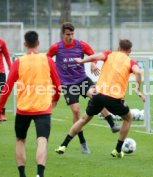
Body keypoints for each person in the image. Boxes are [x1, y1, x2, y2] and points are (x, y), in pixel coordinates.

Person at [55, 39, 145, 158]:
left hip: (98, 95)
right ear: (130, 51)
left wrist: (82, 60)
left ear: (118, 48)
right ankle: (118, 150)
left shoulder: (109, 54)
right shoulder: (131, 62)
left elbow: (94, 57)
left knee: (83, 120)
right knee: (128, 118)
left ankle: (63, 145)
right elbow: (138, 72)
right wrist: (138, 90)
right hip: (114, 98)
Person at [0, 31, 61, 177]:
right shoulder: (47, 60)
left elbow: (7, 88)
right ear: (38, 43)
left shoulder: (19, 62)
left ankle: (22, 175)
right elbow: (57, 84)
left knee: (20, 140)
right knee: (42, 140)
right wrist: (55, 98)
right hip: (43, 108)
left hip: (23, 109)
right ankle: (40, 174)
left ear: (25, 44)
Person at [47, 22, 120, 154]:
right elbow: (47, 58)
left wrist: (93, 64)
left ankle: (112, 124)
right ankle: (82, 142)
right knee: (76, 110)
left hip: (82, 79)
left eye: (72, 34)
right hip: (68, 84)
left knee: (98, 97)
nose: (70, 37)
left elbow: (92, 54)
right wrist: (53, 67)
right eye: (68, 34)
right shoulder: (56, 47)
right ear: (63, 34)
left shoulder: (81, 45)